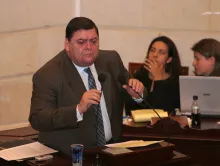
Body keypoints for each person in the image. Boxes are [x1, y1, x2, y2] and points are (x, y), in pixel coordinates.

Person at [29, 17, 145, 155]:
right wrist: (78, 109)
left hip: (112, 151)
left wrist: (138, 94)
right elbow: (38, 119)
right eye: (81, 42)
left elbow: (132, 93)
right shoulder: (48, 74)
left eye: (93, 41)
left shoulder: (111, 60)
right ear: (67, 44)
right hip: (69, 156)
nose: (89, 47)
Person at [125, 36, 181, 115]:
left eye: (161, 52)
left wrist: (158, 80)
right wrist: (137, 97)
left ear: (169, 59)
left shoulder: (176, 83)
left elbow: (165, 112)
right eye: (152, 50)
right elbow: (130, 111)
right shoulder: (138, 77)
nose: (155, 55)